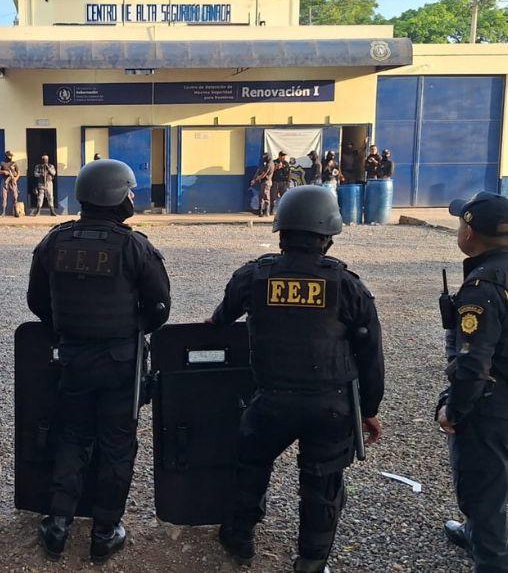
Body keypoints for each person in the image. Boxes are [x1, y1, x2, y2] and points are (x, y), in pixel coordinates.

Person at [210, 185, 384, 573]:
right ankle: (311, 560)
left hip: (271, 402)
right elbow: (371, 354)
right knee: (322, 482)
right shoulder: (349, 286)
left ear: (281, 232)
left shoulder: (254, 275)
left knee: (249, 466)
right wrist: (369, 409)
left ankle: (240, 539)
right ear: (328, 236)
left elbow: (220, 320)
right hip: (331, 405)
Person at [27, 159, 171, 564]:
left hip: (72, 359)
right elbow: (160, 307)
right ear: (116, 195)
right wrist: (131, 328)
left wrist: (68, 329)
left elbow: (37, 301)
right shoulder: (134, 245)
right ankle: (105, 531)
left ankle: (58, 525)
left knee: (71, 436)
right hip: (121, 363)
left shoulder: (55, 241)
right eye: (129, 191)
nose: (133, 197)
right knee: (117, 444)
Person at [438, 192, 508, 571]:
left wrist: (454, 410)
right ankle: (474, 533)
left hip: (494, 407)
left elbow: (472, 364)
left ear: (469, 232)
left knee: (484, 490)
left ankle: (490, 558)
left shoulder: (481, 288)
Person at [0, 151, 20, 218]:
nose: (10, 157)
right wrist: (3, 171)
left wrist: (15, 179)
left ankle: (16, 212)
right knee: (4, 197)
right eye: (9, 156)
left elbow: (18, 173)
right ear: (6, 156)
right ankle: (3, 212)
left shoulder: (14, 163)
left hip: (13, 181)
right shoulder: (2, 163)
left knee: (15, 197)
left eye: (11, 156)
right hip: (5, 181)